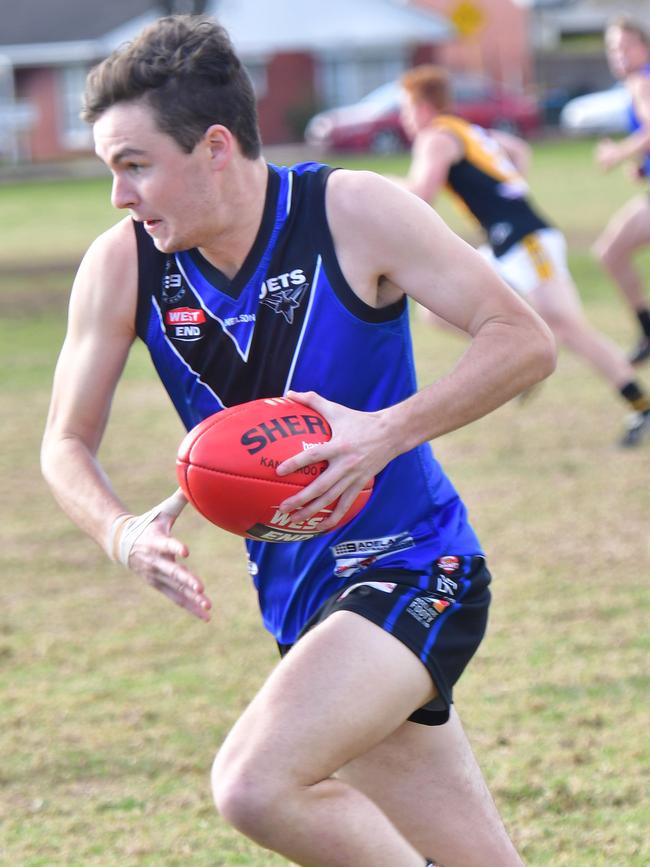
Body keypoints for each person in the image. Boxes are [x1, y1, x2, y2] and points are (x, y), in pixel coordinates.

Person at [40, 16, 556, 867]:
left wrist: (382, 434)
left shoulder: (351, 209)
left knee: (253, 782)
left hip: (416, 565)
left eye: (134, 166)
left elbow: (522, 337)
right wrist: (121, 531)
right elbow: (64, 441)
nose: (119, 196)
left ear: (213, 146)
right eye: (111, 171)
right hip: (306, 606)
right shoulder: (123, 264)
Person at [397, 63, 650, 447]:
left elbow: (421, 194)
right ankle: (518, 357)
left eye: (406, 108)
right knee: (433, 310)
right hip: (503, 243)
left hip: (527, 241)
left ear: (423, 106)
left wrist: (373, 181)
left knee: (567, 327)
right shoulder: (470, 130)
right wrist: (510, 189)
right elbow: (518, 150)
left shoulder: (436, 136)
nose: (404, 118)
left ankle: (641, 403)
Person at [593, 16, 650, 366]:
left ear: (644, 47)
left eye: (626, 46)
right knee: (610, 251)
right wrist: (642, 167)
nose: (619, 54)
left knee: (610, 251)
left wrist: (617, 153)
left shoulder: (642, 83)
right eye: (613, 48)